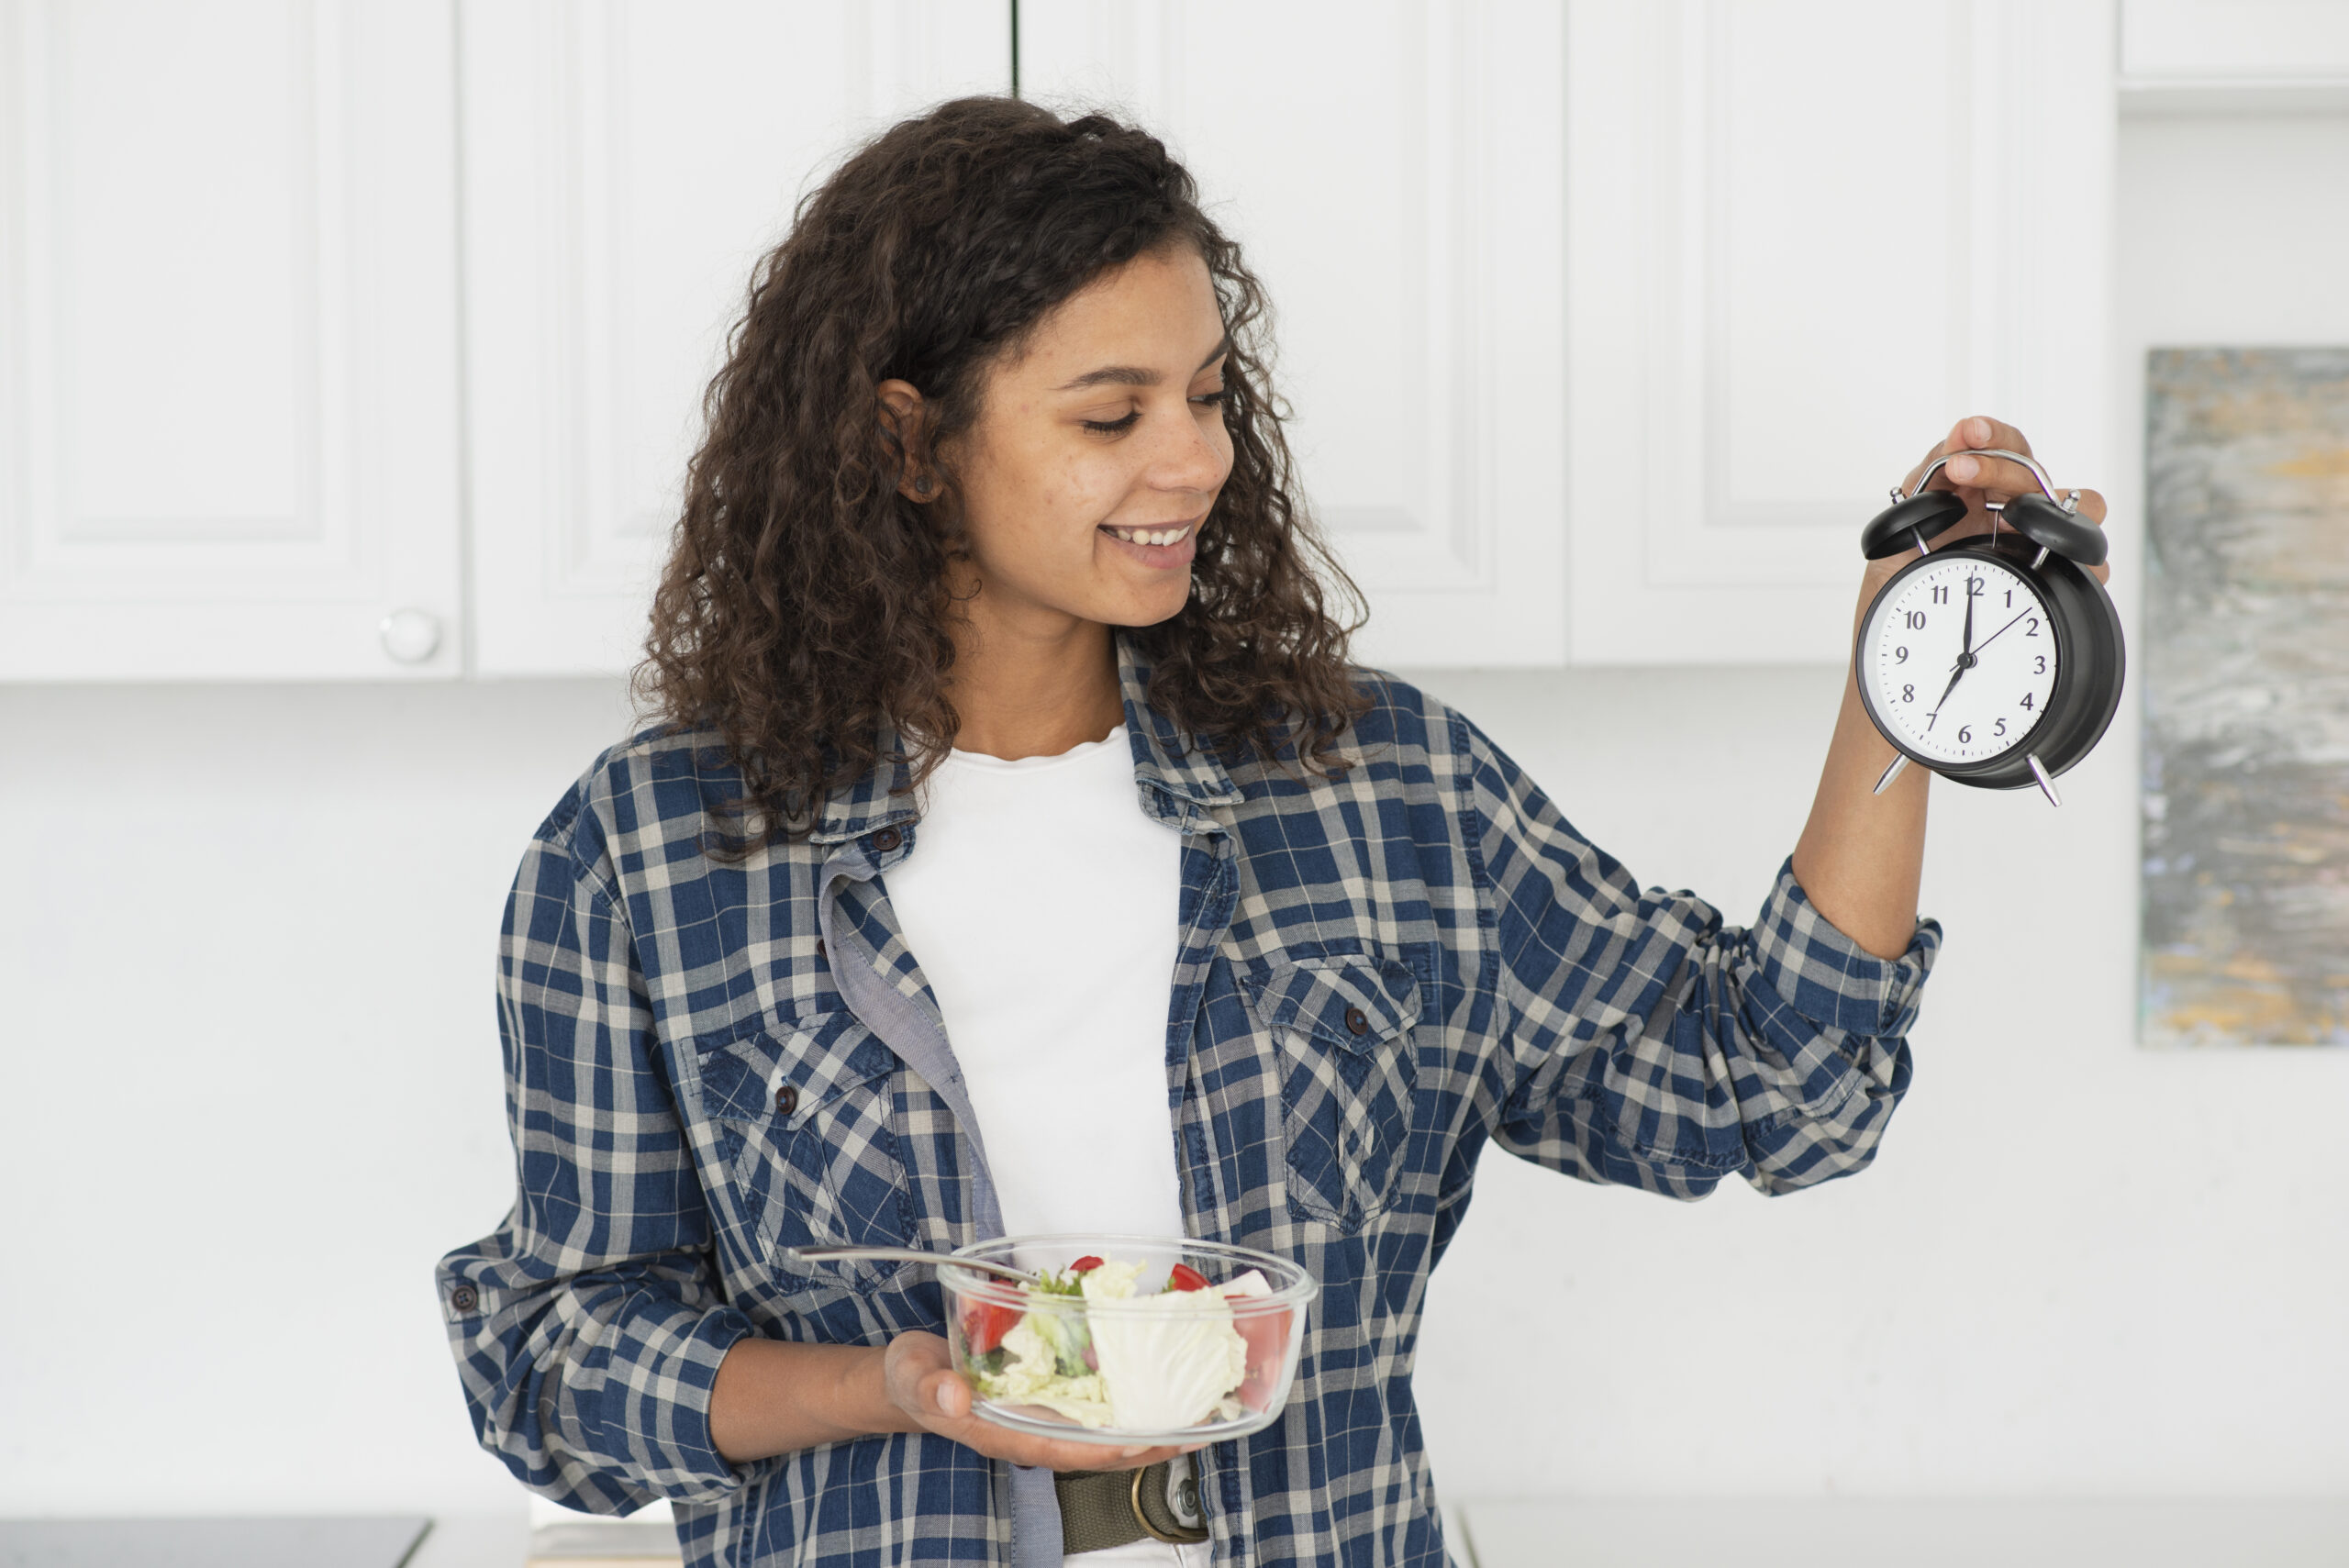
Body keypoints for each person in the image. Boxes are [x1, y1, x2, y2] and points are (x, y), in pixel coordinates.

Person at [436, 96, 2105, 1568]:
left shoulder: (1379, 791)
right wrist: (888, 1386)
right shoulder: (651, 854)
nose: (1195, 460)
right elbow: (549, 1362)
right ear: (908, 444)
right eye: (1111, 416)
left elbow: (1777, 1083)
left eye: (1209, 394)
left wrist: (1904, 677)